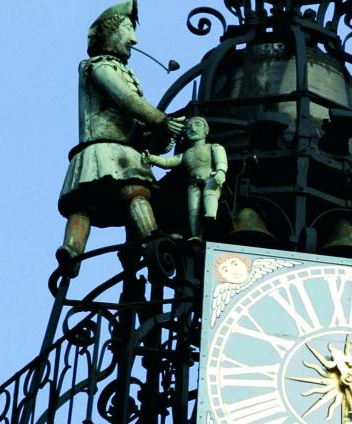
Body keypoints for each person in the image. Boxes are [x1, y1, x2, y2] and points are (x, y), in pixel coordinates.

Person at [56, 0, 185, 275]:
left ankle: (145, 239)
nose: (134, 38)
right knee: (129, 193)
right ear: (111, 32)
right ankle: (76, 250)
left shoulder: (121, 69)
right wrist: (161, 120)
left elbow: (134, 124)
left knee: (88, 203)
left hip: (120, 148)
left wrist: (157, 134)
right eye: (128, 28)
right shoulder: (98, 66)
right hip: (106, 149)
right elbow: (125, 100)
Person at [143, 116, 228, 240]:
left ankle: (211, 213)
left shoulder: (213, 147)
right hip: (193, 183)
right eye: (188, 127)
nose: (193, 128)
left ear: (206, 130)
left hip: (210, 177)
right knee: (193, 209)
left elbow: (221, 160)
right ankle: (196, 235)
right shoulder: (185, 154)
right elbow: (167, 162)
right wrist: (152, 158)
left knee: (210, 193)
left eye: (198, 124)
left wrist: (221, 172)